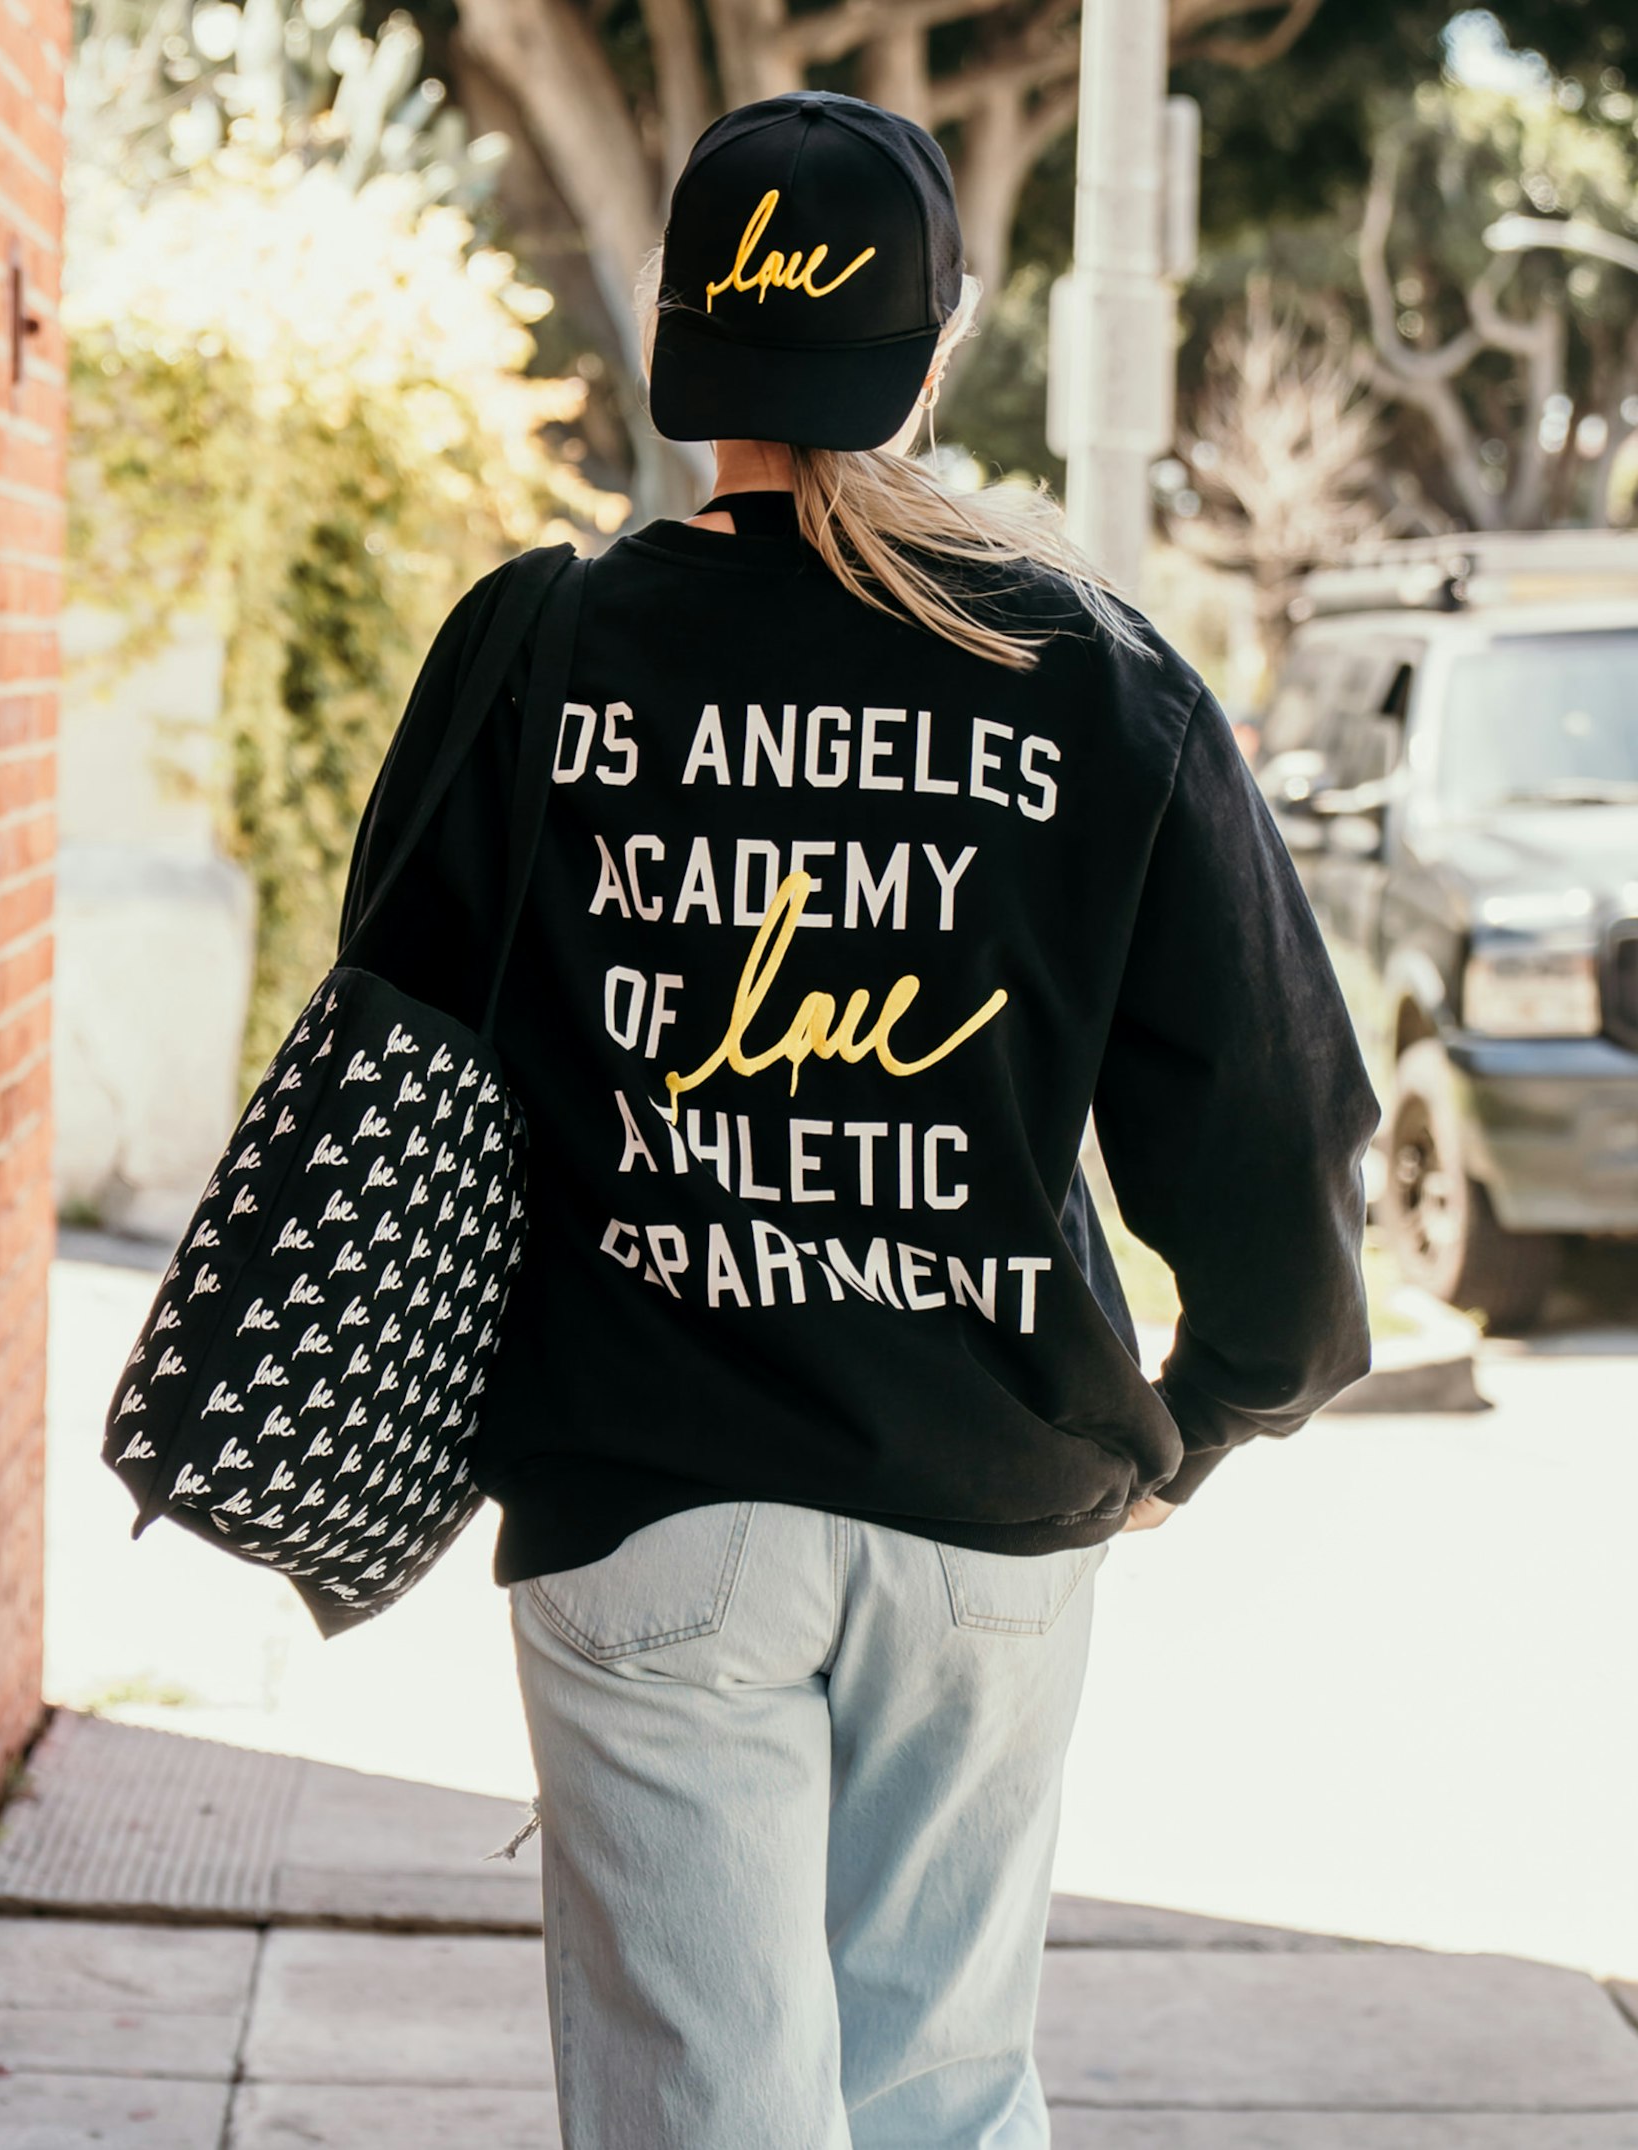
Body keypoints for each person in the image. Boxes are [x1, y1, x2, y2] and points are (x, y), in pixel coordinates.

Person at [337, 89, 1382, 2150]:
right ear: (938, 339)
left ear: (672, 328)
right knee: (941, 2094)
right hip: (989, 1489)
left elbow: (390, 1044)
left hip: (644, 1489)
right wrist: (1221, 1402)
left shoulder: (539, 654)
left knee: (695, 2113)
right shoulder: (1091, 680)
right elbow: (1272, 1117)